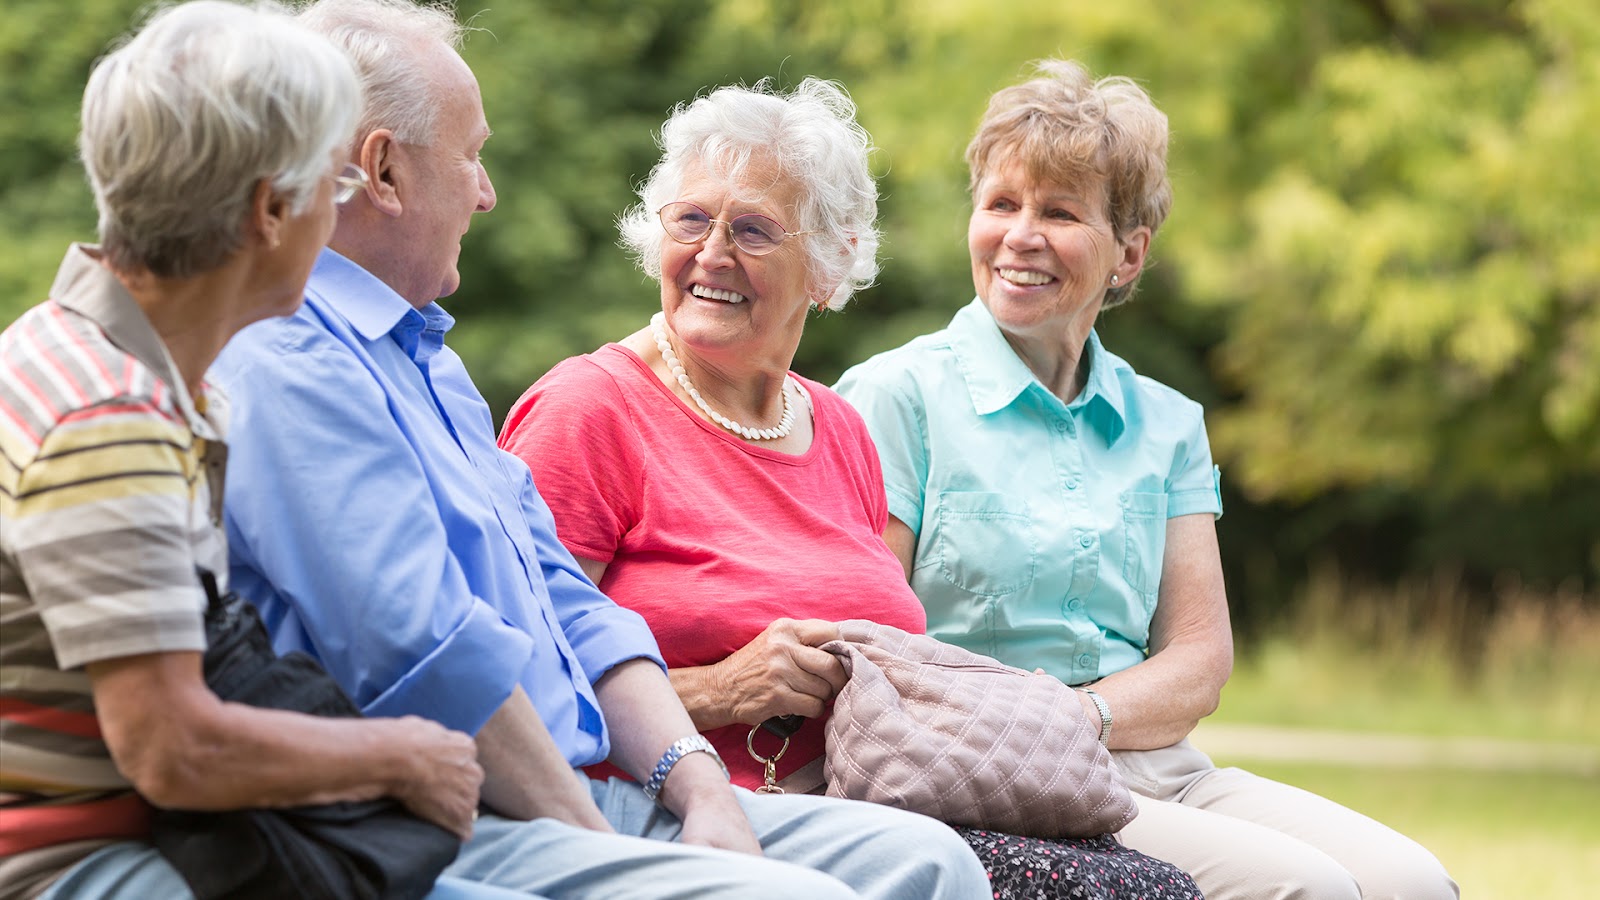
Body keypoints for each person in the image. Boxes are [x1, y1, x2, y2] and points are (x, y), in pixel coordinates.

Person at [210, 2, 989, 898]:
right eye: (472, 155)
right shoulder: (289, 358)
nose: (487, 190)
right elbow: (431, 656)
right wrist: (606, 846)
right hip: (454, 816)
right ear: (384, 170)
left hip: (603, 789)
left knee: (931, 863)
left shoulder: (426, 359)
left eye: (754, 229)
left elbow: (571, 608)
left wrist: (704, 796)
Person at [497, 78, 1204, 900]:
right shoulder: (591, 409)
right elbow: (518, 683)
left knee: (1156, 888)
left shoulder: (838, 429)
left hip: (874, 798)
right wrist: (722, 690)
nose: (713, 253)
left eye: (754, 230)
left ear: (828, 269)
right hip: (682, 811)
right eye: (690, 220)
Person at [829, 59, 1461, 900]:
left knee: (1411, 882)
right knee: (1306, 888)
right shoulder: (893, 397)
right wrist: (1038, 733)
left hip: (1158, 767)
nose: (1021, 234)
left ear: (1128, 252)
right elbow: (868, 642)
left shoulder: (1167, 422)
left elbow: (1200, 659)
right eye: (1001, 205)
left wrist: (1081, 716)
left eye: (1059, 212)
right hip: (984, 778)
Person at [0, 4, 523, 899]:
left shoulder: (72, 348)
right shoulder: (112, 417)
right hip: (83, 865)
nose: (338, 216)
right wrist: (402, 755)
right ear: (269, 211)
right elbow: (175, 749)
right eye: (333, 185)